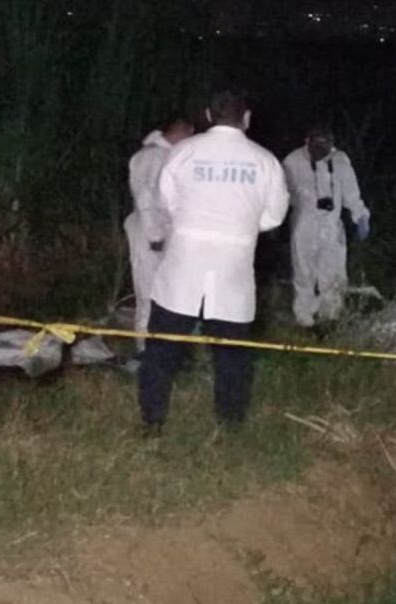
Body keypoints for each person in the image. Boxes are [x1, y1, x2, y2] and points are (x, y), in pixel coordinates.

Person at [138, 90, 289, 437]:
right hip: (233, 268)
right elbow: (274, 216)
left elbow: (166, 202)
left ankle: (152, 421)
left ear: (208, 115)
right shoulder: (265, 160)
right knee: (232, 353)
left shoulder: (183, 152)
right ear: (247, 118)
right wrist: (239, 226)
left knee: (162, 347)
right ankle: (229, 424)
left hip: (183, 266)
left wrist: (192, 223)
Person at [283, 125, 370, 328]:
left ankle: (330, 318)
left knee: (333, 274)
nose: (321, 150)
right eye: (317, 144)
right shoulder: (293, 161)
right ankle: (304, 319)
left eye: (325, 145)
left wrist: (360, 215)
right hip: (304, 225)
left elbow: (351, 193)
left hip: (331, 225)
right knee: (304, 273)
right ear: (307, 141)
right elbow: (282, 193)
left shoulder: (340, 160)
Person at [124, 115, 195, 356]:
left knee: (166, 293)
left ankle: (165, 347)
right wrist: (154, 235)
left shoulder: (167, 156)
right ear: (182, 130)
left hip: (164, 234)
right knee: (148, 292)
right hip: (149, 235)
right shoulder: (151, 156)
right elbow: (145, 197)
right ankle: (145, 348)